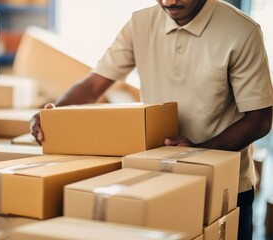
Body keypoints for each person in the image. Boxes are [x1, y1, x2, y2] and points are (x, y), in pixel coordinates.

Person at [30, 0, 273, 239]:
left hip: (225, 186)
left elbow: (260, 119)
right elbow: (95, 84)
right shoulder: (140, 23)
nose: (169, 2)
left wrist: (198, 152)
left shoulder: (241, 31)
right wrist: (54, 114)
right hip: (157, 179)